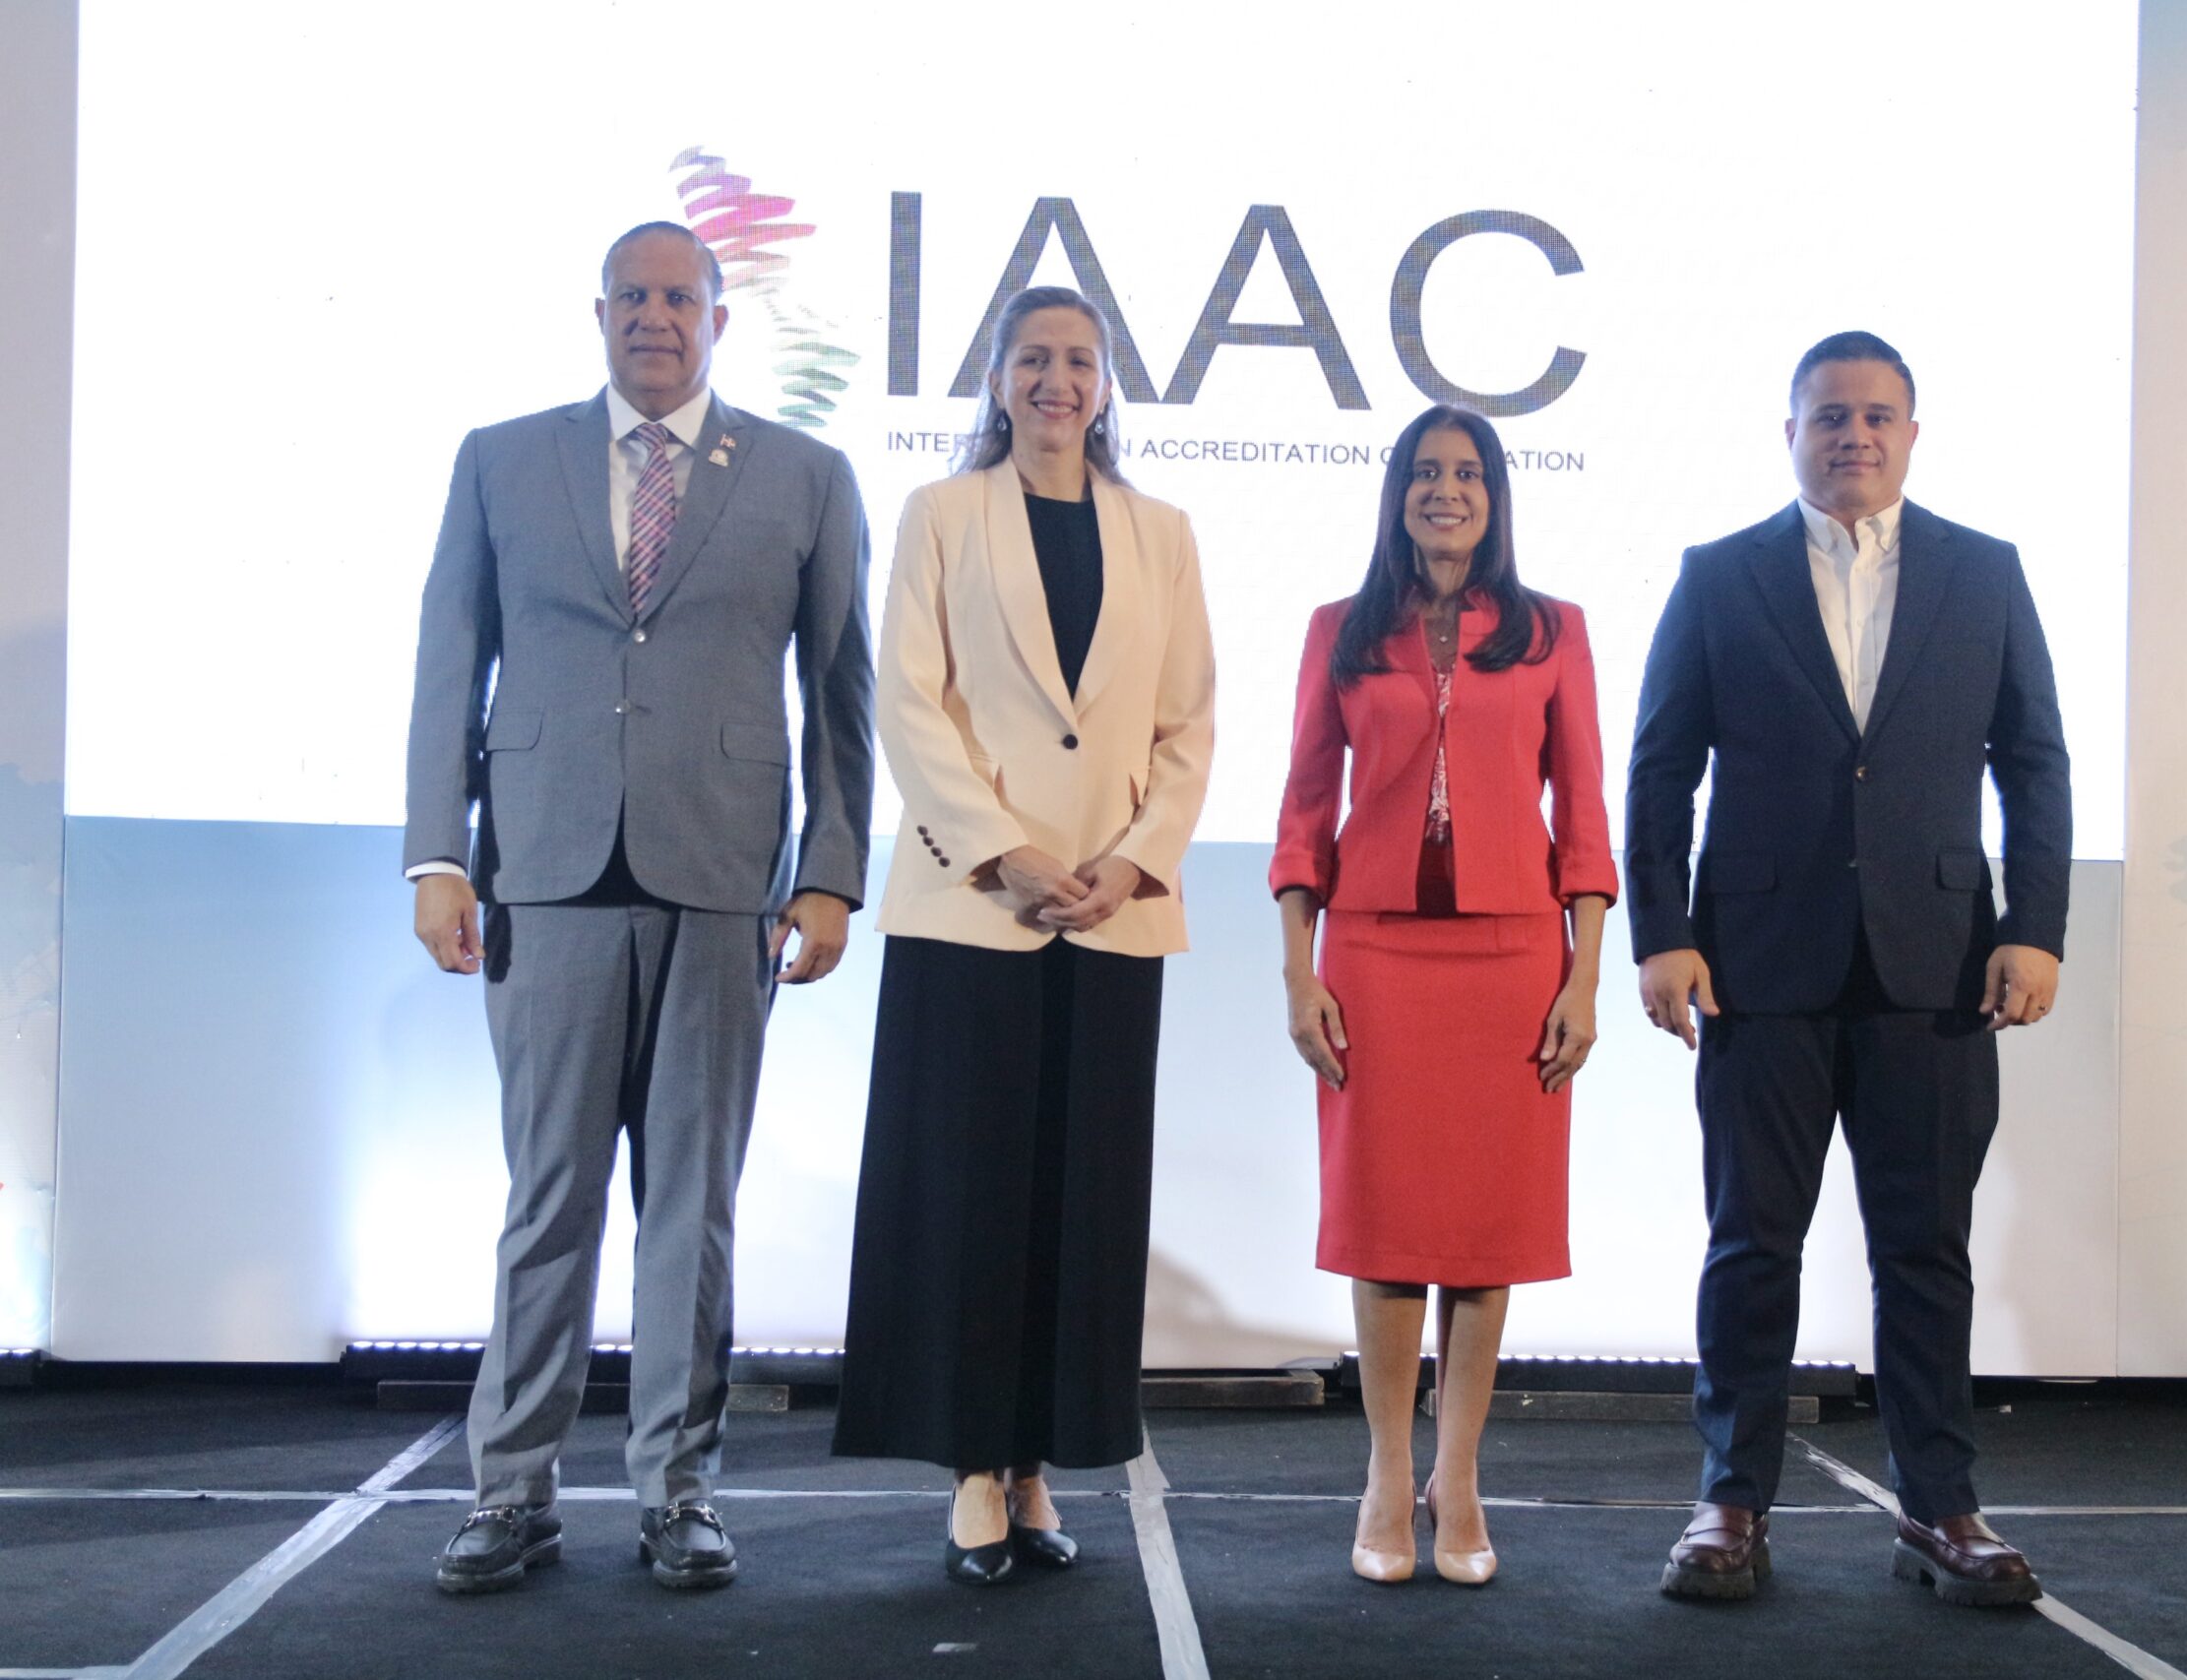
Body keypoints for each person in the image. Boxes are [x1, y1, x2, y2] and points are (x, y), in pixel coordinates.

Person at [405, 223, 874, 1592]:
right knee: (548, 1196)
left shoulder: (806, 474)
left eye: (681, 297)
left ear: (721, 317)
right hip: (541, 874)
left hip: (726, 877)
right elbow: (451, 660)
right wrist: (438, 851)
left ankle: (677, 1487)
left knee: (692, 1207)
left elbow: (838, 690)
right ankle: (511, 1489)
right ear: (598, 312)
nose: (655, 317)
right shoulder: (502, 457)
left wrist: (833, 869)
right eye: (634, 296)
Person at [1627, 332, 2070, 1606]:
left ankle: (1940, 1505)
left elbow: (2034, 763)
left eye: (1878, 415)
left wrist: (2032, 924)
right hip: (1760, 965)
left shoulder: (1986, 574)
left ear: (1912, 433)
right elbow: (1661, 767)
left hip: (1938, 970)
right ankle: (1731, 1499)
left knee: (1926, 1248)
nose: (1854, 434)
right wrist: (1664, 930)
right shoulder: (1720, 576)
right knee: (1750, 1245)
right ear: (1791, 431)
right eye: (1830, 415)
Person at [833, 285, 1216, 1586]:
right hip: (973, 907)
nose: (1059, 381)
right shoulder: (940, 516)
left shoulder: (1161, 532)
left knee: (1080, 1203)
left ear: (1107, 387)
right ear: (998, 380)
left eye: (1081, 361)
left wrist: (1127, 860)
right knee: (968, 1198)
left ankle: (1042, 1460)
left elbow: (1188, 723)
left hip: (1110, 916)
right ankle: (971, 1470)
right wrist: (1008, 849)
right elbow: (908, 699)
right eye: (1036, 359)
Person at [1271, 404, 1616, 1587]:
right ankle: (1382, 1471)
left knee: (1481, 1235)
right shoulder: (1339, 630)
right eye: (1426, 472)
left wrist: (1582, 973)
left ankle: (1456, 1473)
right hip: (1372, 956)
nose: (1446, 490)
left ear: (1495, 494)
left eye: (1467, 473)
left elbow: (1583, 819)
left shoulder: (1552, 631)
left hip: (1513, 958)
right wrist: (1296, 968)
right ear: (1398, 492)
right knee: (1384, 1229)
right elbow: (1303, 814)